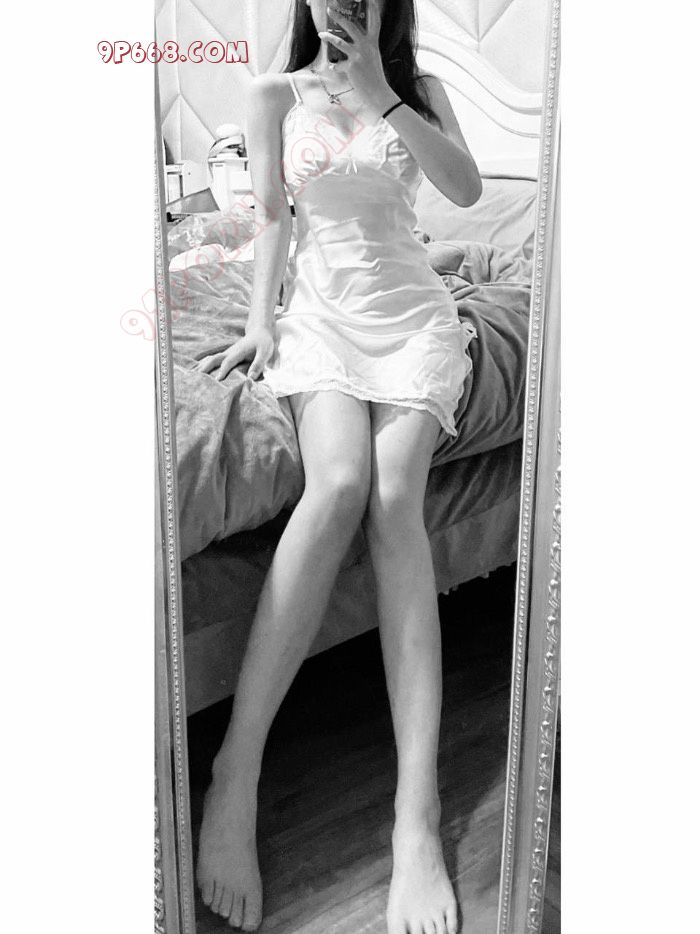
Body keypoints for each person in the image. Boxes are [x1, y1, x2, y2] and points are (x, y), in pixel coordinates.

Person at [194, 1, 482, 931]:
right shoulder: (271, 94)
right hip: (320, 317)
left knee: (395, 497)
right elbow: (274, 218)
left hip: (413, 320)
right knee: (341, 484)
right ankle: (236, 771)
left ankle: (416, 817)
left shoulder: (418, 88)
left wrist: (382, 95)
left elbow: (466, 189)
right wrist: (257, 323)